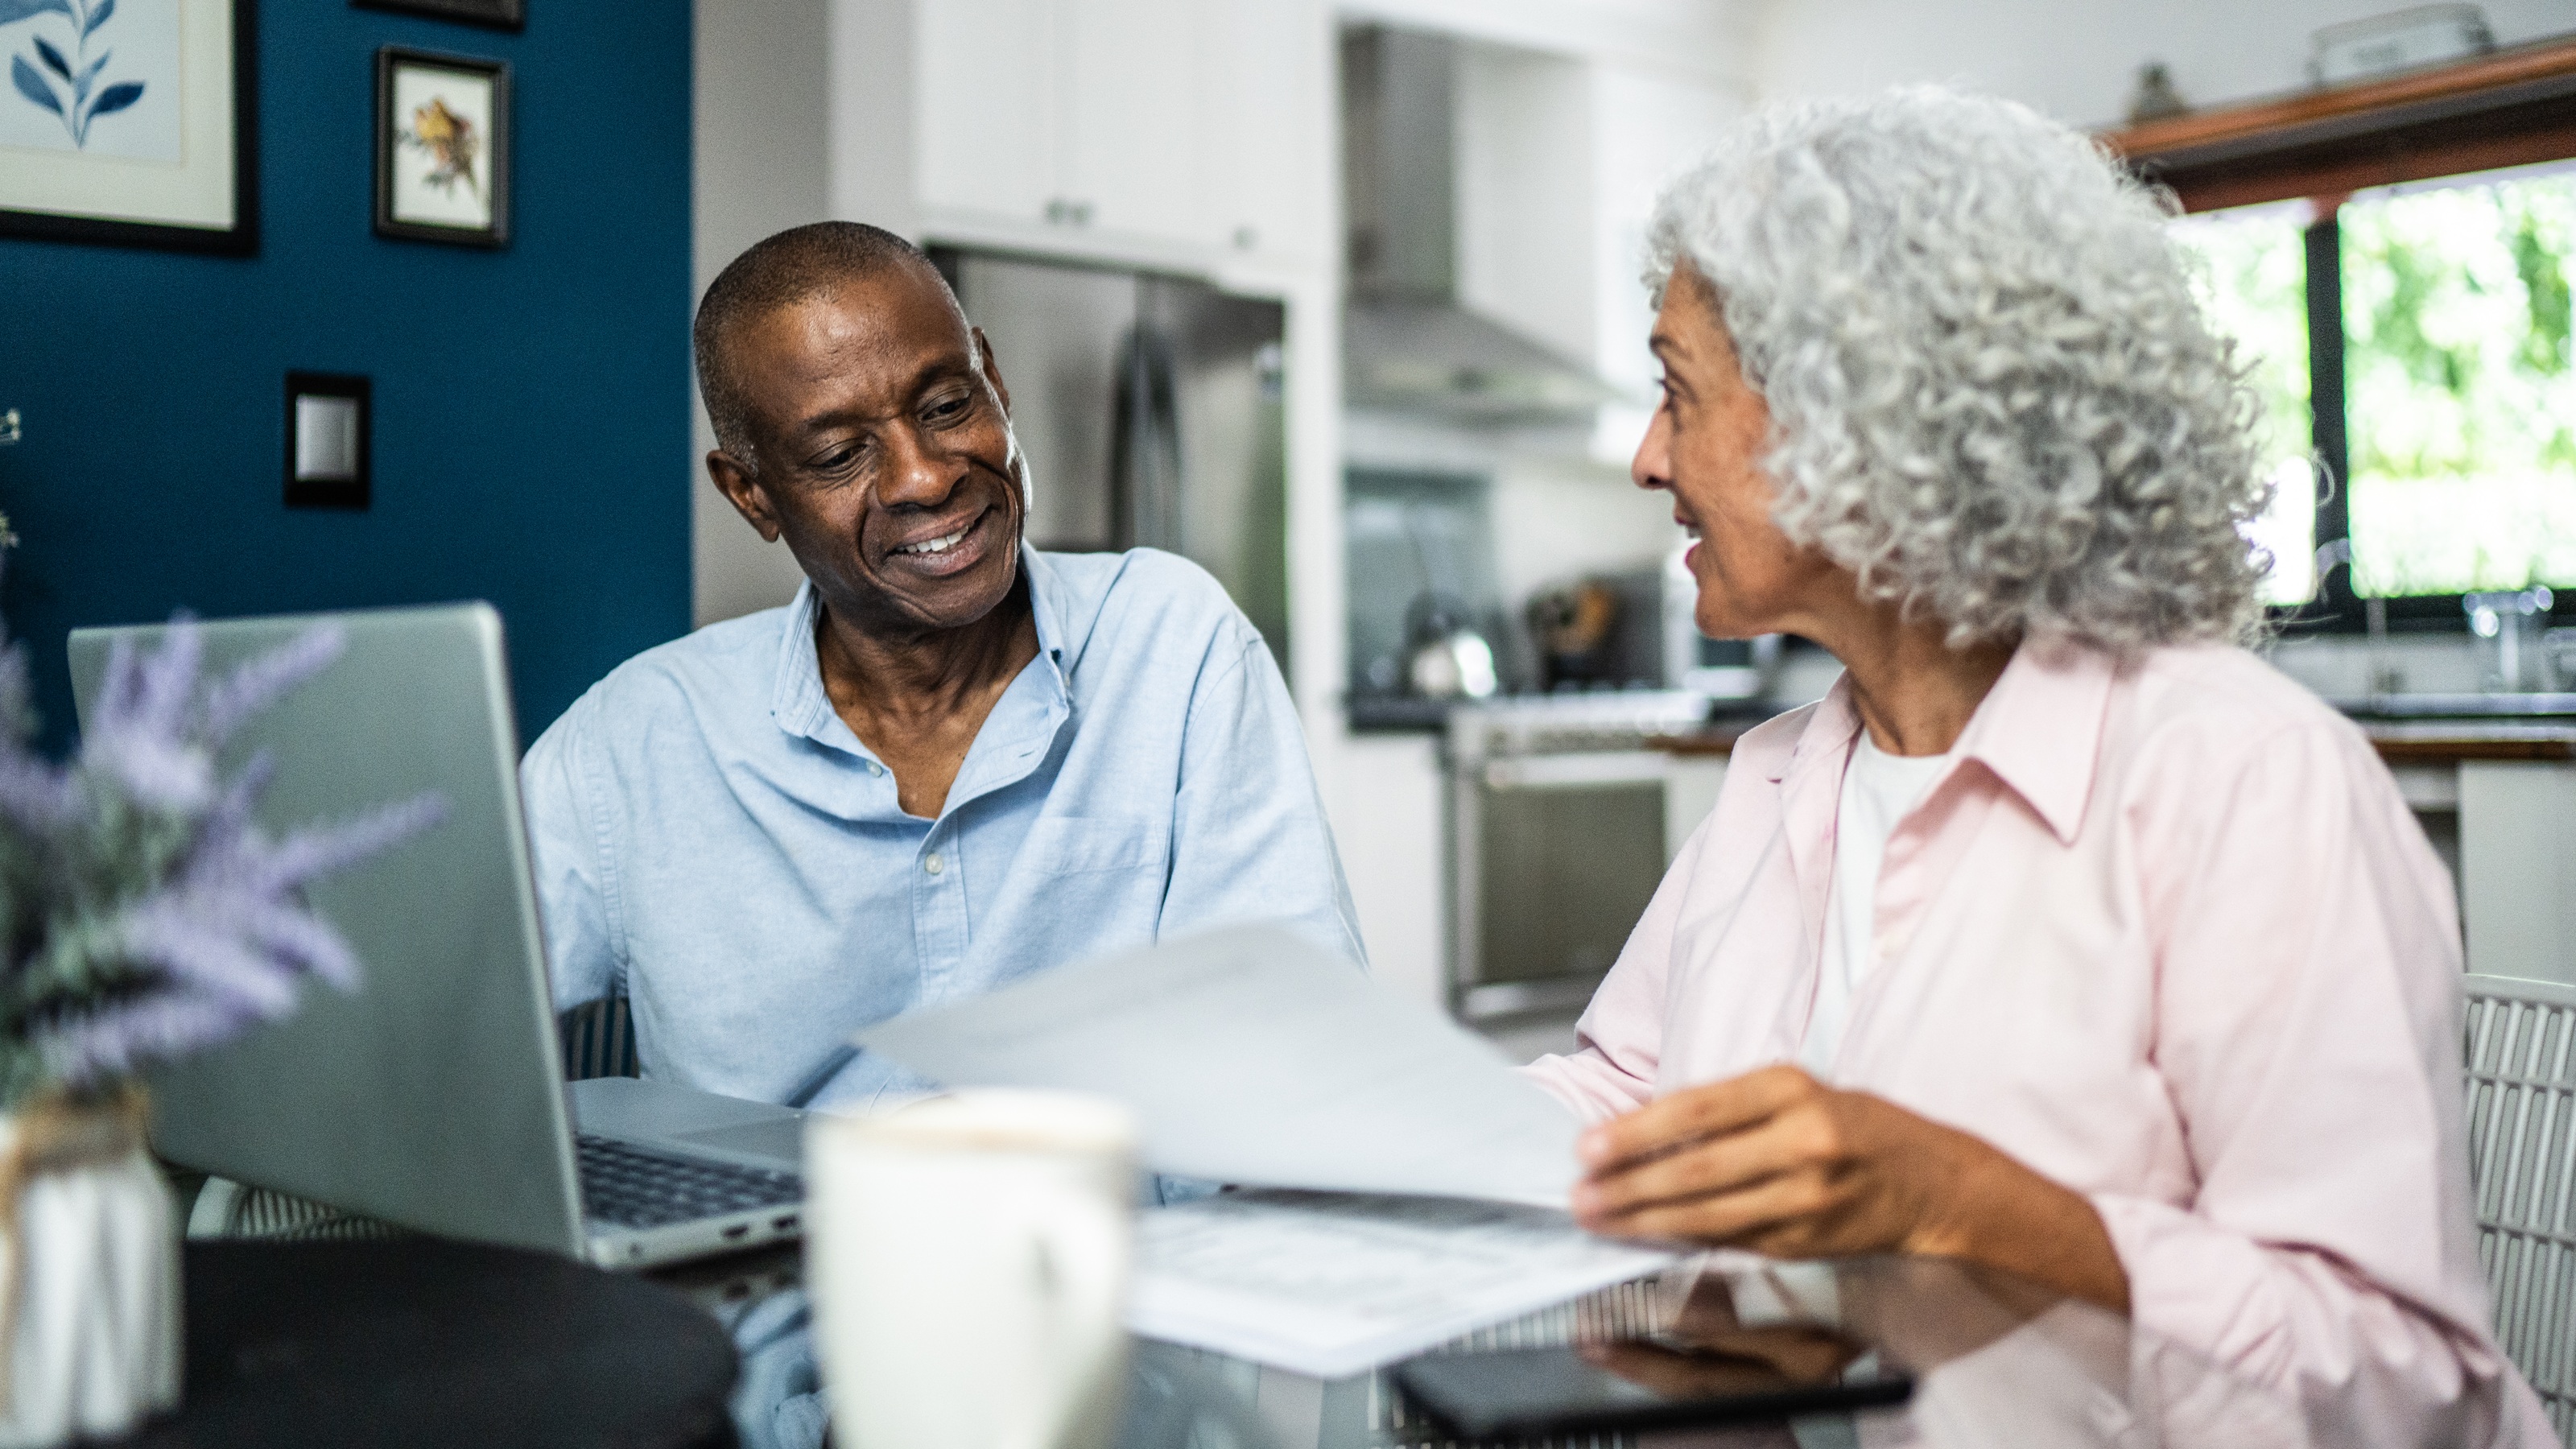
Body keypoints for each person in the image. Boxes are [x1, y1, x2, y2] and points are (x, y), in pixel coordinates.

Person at [1524, 89, 2550, 1446]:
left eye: (1678, 391)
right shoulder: (1783, 772)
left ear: (1866, 419)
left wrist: (1954, 1203)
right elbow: (1632, 1104)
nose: (1651, 459)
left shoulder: (2244, 781)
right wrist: (1342, 1128)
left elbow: (2400, 1383)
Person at [521, 221, 1362, 1117]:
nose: (924, 477)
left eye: (946, 406)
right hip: (784, 1252)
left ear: (994, 384)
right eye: (840, 455)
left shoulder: (1173, 645)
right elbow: (430, 1030)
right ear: (752, 493)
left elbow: (1295, 1044)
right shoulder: (635, 740)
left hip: (1117, 1243)